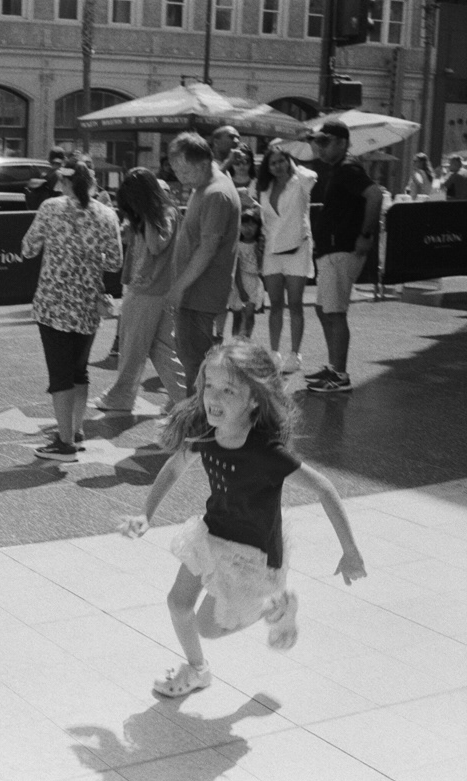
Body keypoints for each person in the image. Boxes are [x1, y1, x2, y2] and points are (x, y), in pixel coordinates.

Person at [118, 339, 367, 697]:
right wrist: (146, 514)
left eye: (229, 390)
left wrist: (350, 551)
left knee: (208, 627)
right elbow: (174, 468)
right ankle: (198, 670)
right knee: (177, 604)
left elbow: (324, 488)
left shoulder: (266, 452)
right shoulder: (207, 434)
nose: (214, 397)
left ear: (254, 399)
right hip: (211, 534)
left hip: (252, 554)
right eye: (210, 386)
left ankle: (274, 607)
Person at [21, 155, 123, 461]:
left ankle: (64, 443)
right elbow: (115, 261)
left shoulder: (50, 208)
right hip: (87, 304)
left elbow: (27, 249)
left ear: (64, 182)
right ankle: (76, 431)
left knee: (60, 375)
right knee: (79, 370)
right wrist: (90, 257)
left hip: (53, 303)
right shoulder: (107, 214)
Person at [95, 168, 187, 414]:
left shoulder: (162, 213)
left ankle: (122, 396)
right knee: (162, 348)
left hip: (148, 290)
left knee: (132, 347)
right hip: (159, 289)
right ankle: (186, 397)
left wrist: (146, 215)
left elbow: (156, 246)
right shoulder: (167, 212)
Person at [306, 120, 383, 394]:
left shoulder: (348, 168)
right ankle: (333, 367)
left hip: (341, 249)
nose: (319, 147)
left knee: (335, 312)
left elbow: (375, 194)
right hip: (332, 250)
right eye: (317, 142)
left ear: (341, 142)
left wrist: (366, 233)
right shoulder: (341, 168)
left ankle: (339, 374)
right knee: (324, 309)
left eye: (324, 142)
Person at [166, 132, 242, 395]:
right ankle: (199, 414)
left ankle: (199, 416)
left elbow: (208, 248)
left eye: (184, 170)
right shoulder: (208, 185)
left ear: (203, 163)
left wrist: (179, 288)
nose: (180, 177)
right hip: (197, 292)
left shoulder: (215, 193)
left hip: (199, 294)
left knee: (195, 366)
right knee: (194, 362)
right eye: (176, 170)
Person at [256, 145, 317, 374]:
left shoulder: (301, 181)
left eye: (282, 160)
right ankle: (274, 352)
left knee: (295, 304)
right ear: (268, 167)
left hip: (297, 249)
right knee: (275, 304)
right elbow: (266, 218)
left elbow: (311, 175)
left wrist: (293, 162)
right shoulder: (264, 187)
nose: (278, 166)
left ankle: (295, 353)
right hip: (272, 250)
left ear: (289, 161)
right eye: (273, 163)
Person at [224, 209, 265, 340]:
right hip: (239, 282)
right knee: (237, 314)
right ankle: (236, 341)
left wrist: (259, 252)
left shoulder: (259, 244)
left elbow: (261, 268)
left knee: (249, 314)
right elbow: (236, 268)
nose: (248, 228)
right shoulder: (237, 244)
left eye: (252, 225)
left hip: (253, 281)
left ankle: (247, 339)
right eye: (245, 224)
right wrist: (241, 289)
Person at [25, 146, 68, 210]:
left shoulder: (45, 175)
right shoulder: (61, 175)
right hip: (57, 209)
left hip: (44, 208)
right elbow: (61, 195)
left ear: (49, 160)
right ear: (63, 159)